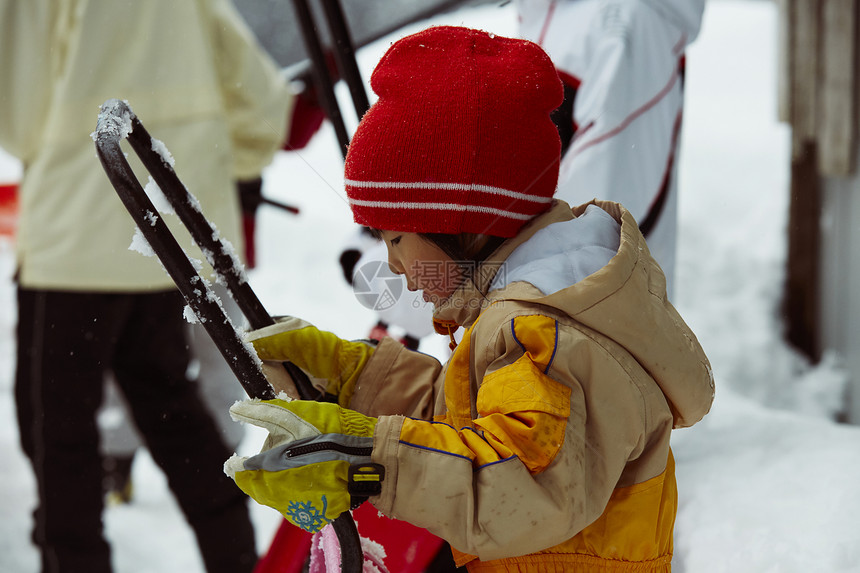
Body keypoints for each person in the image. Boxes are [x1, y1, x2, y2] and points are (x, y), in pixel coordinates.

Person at [225, 26, 714, 571]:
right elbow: (479, 424)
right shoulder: (537, 312)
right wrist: (355, 378)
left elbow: (521, 485)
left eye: (393, 237)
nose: (391, 263)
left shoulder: (549, 334)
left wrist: (366, 462)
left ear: (459, 222)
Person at [0, 1, 296, 571]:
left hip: (72, 249)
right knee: (170, 406)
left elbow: (17, 119)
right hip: (164, 245)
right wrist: (206, 166)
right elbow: (262, 108)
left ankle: (74, 561)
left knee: (57, 435)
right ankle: (234, 556)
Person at [515, 0, 706, 297]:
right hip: (531, 314)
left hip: (577, 318)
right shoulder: (553, 13)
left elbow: (593, 213)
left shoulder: (622, 21)